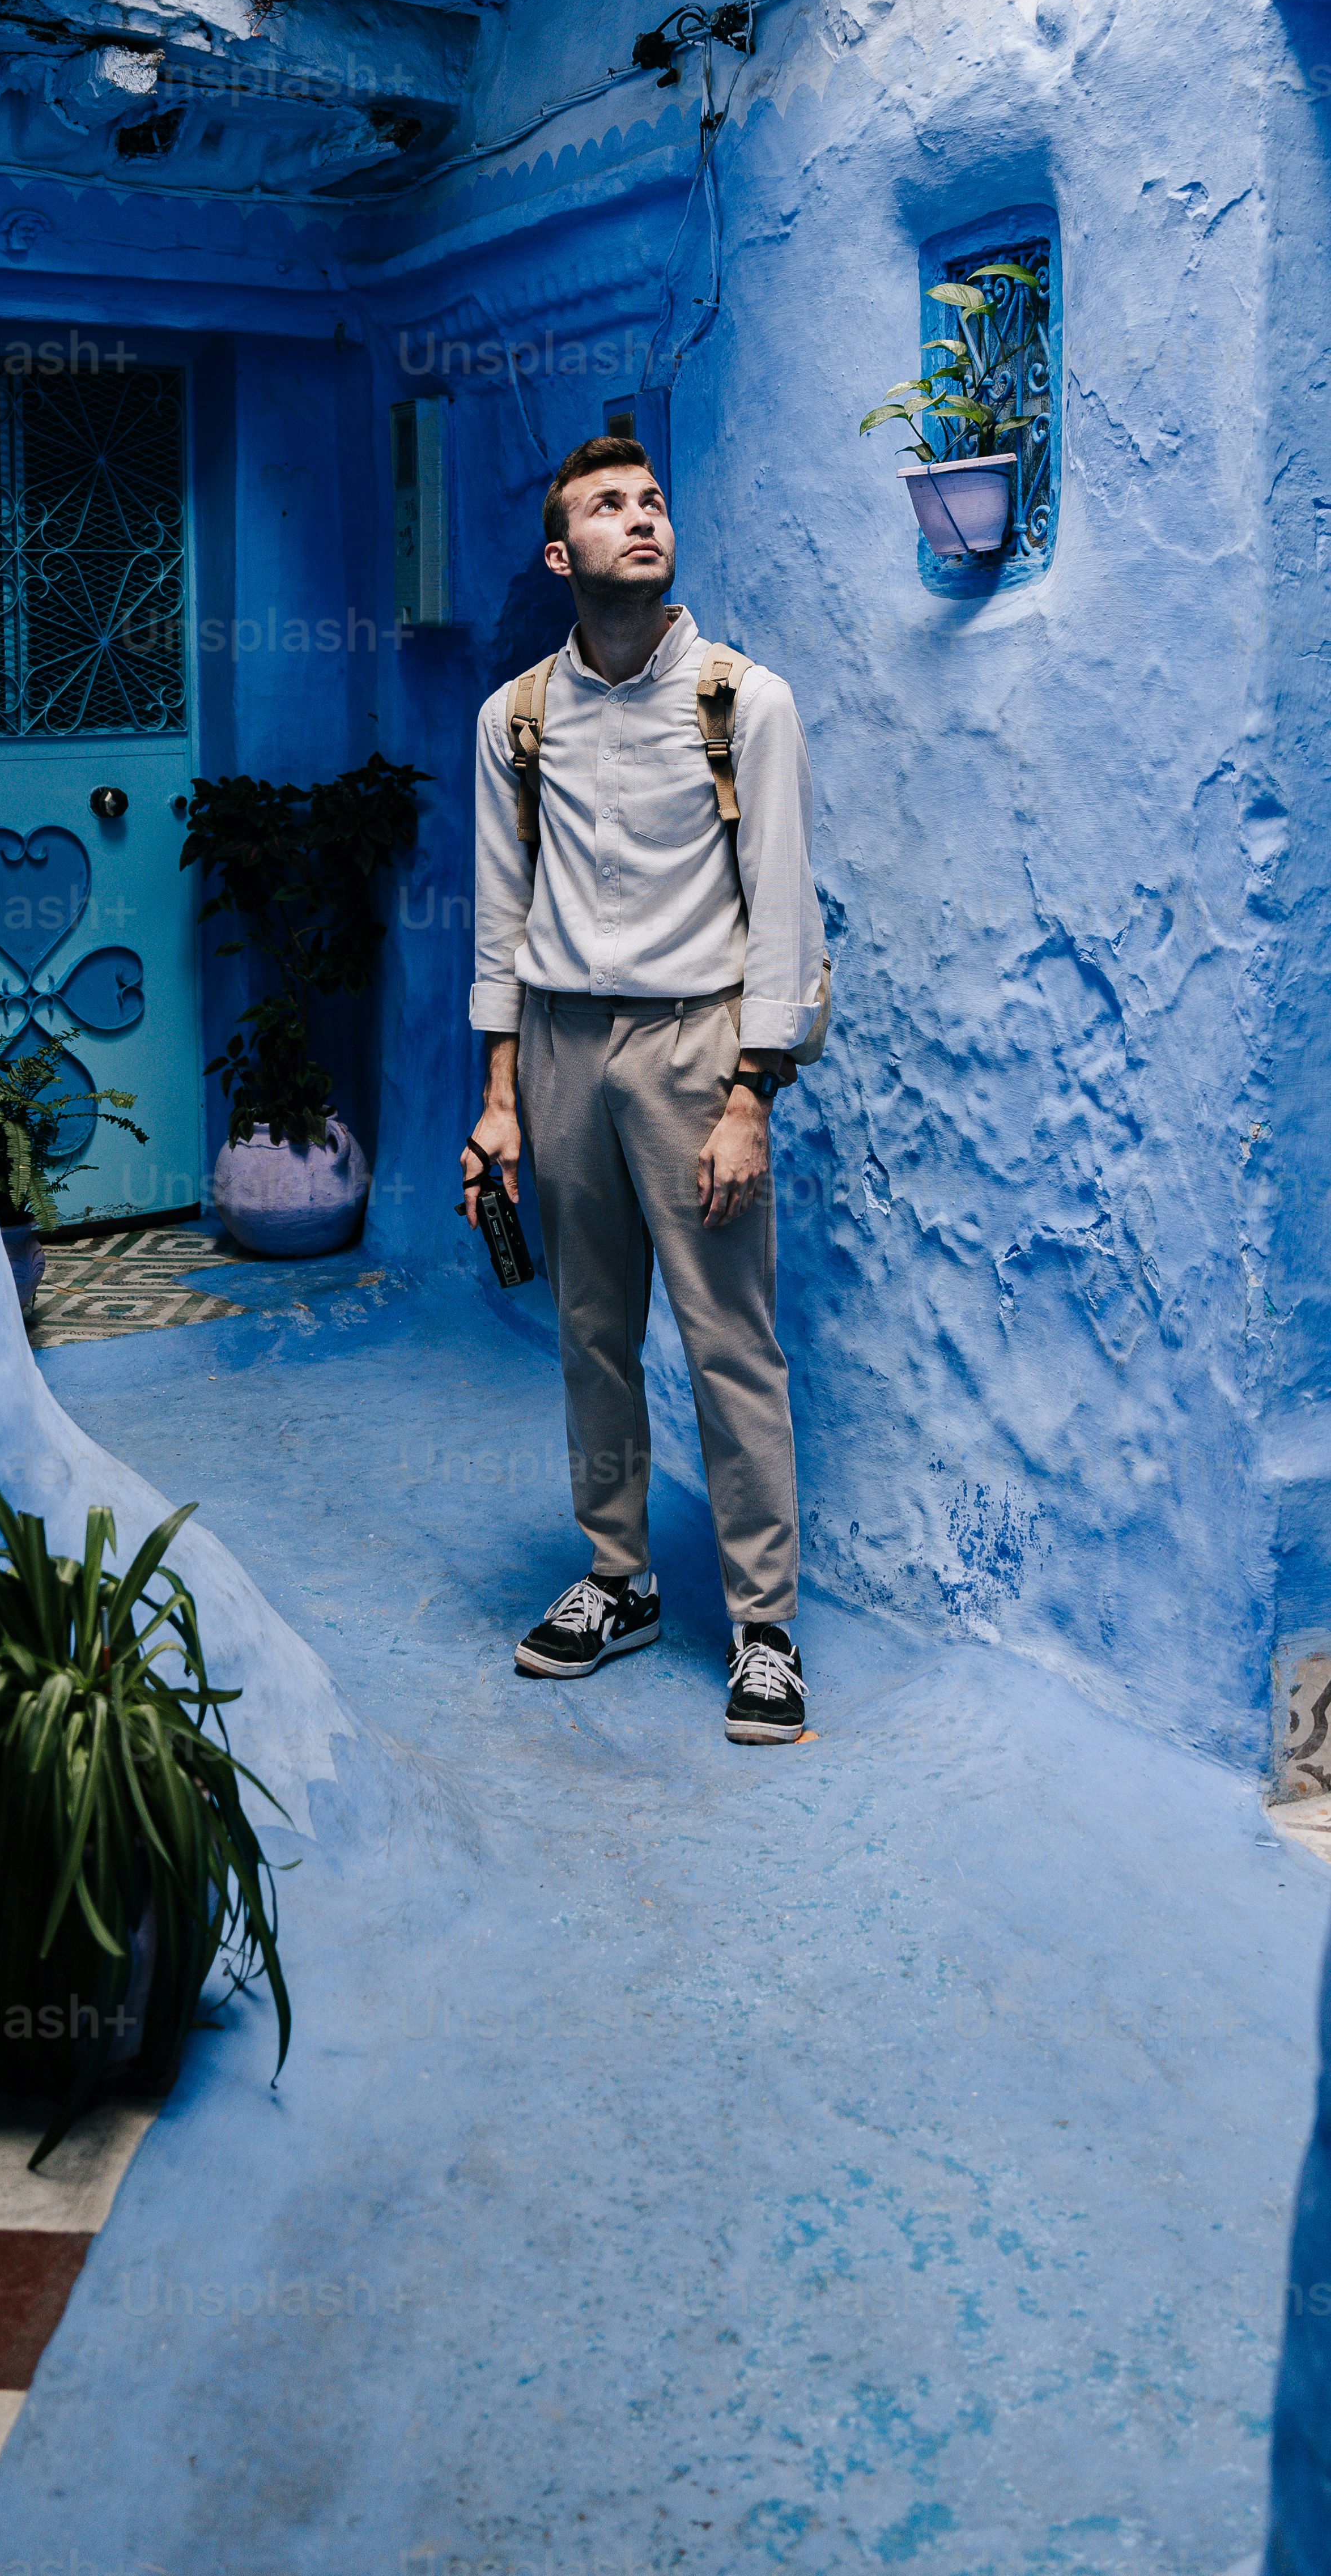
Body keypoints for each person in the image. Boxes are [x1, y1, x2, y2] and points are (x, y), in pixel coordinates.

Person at [462, 436, 825, 1746]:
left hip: (693, 1048)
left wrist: (749, 1098)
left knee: (729, 1341)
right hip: (559, 1045)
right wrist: (499, 1096)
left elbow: (781, 909)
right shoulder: (517, 716)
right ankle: (618, 1580)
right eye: (609, 507)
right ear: (562, 556)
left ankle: (765, 1628)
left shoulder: (745, 701)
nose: (641, 518)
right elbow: (504, 908)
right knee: (590, 1328)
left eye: (654, 501)